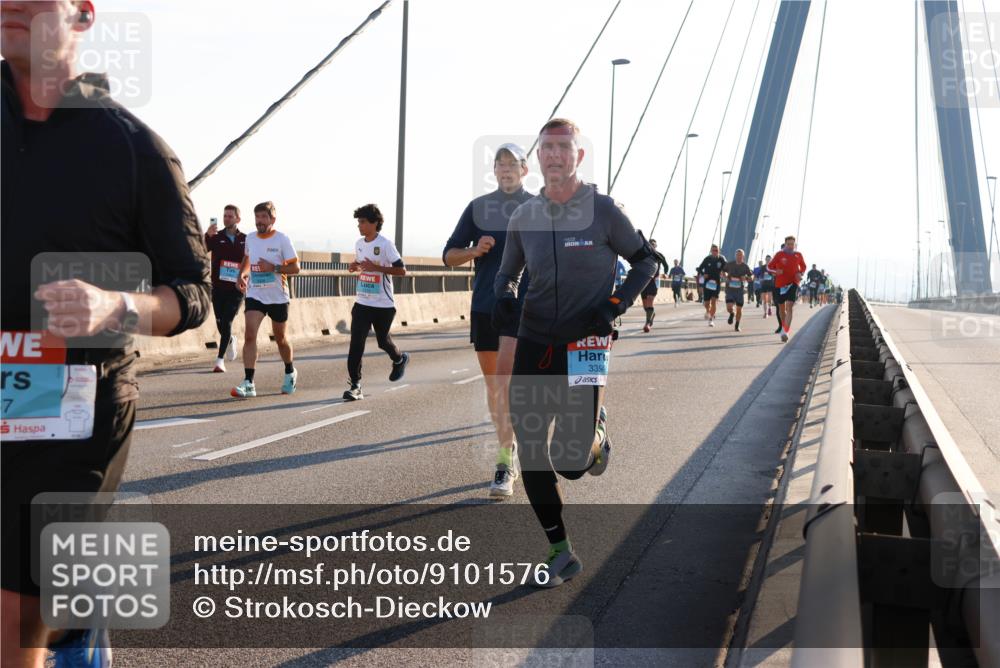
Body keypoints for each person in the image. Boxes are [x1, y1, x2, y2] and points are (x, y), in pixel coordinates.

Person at [1, 3, 211, 664]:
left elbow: (192, 292)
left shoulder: (133, 147)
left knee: (13, 610)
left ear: (83, 14)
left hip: (72, 401)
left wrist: (114, 306)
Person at [493, 118, 657, 587]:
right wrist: (505, 296)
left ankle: (596, 434)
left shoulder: (604, 211)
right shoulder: (524, 217)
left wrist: (615, 305)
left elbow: (646, 260)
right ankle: (560, 549)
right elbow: (507, 274)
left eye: (564, 148)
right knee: (531, 452)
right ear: (538, 158)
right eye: (547, 149)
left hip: (585, 343)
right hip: (535, 340)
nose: (556, 156)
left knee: (569, 460)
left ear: (578, 156)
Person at [443, 143, 533, 497]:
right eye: (500, 163)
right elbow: (449, 256)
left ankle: (518, 443)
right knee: (499, 386)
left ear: (525, 170)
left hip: (530, 309)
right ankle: (505, 457)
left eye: (513, 163)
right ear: (494, 171)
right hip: (487, 307)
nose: (506, 169)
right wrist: (474, 250)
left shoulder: (539, 207)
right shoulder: (478, 208)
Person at [231, 201, 300, 398]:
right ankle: (249, 382)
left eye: (263, 217)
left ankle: (289, 371)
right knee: (250, 335)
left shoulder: (282, 239)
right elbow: (248, 259)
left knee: (281, 339)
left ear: (272, 219)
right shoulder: (250, 238)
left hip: (278, 296)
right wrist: (242, 275)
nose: (259, 221)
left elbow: (296, 268)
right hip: (255, 295)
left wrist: (275, 268)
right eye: (257, 217)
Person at [343, 204, 409, 401]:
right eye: (358, 222)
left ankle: (399, 359)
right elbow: (363, 265)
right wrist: (355, 266)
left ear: (374, 223)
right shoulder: (359, 243)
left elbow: (402, 270)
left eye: (363, 222)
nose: (359, 226)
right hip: (362, 302)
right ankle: (355, 385)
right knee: (356, 344)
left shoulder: (386, 244)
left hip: (384, 304)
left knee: (382, 341)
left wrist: (376, 268)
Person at [205, 206, 247, 373]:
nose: (226, 218)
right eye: (225, 216)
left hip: (237, 288)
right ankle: (229, 340)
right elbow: (199, 249)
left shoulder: (245, 239)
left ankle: (219, 360)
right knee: (220, 322)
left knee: (227, 320)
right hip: (218, 287)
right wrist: (206, 235)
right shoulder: (216, 237)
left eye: (230, 216)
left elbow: (251, 259)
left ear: (238, 219)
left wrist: (245, 277)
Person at [767, 236, 807, 342]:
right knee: (781, 309)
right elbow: (769, 267)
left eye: (792, 244)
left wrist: (800, 273)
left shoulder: (798, 255)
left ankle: (785, 331)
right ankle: (783, 326)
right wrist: (776, 272)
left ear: (795, 244)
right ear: (785, 244)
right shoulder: (779, 254)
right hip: (780, 285)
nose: (790, 246)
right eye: (788, 244)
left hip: (793, 283)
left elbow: (803, 266)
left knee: (790, 307)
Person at [695, 244, 727, 327]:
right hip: (707, 283)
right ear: (711, 251)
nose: (715, 252)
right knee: (706, 303)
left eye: (716, 250)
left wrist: (725, 273)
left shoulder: (721, 259)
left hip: (716, 283)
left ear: (719, 251)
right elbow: (699, 268)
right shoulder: (707, 259)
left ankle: (711, 319)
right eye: (713, 250)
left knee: (713, 302)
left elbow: (727, 268)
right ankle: (708, 311)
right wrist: (703, 274)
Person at [722, 249, 753, 332]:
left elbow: (751, 277)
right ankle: (732, 314)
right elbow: (722, 272)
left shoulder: (745, 266)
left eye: (740, 255)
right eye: (737, 255)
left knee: (739, 309)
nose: (739, 256)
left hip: (739, 291)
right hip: (730, 290)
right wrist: (725, 277)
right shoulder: (730, 264)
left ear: (743, 256)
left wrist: (746, 278)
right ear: (735, 256)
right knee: (729, 307)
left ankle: (737, 325)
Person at [640, 239, 661, 332]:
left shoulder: (658, 256)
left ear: (656, 246)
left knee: (649, 301)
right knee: (645, 305)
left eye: (654, 244)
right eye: (650, 244)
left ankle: (647, 324)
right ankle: (651, 314)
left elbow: (660, 267)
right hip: (644, 281)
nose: (652, 245)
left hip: (653, 281)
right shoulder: (643, 254)